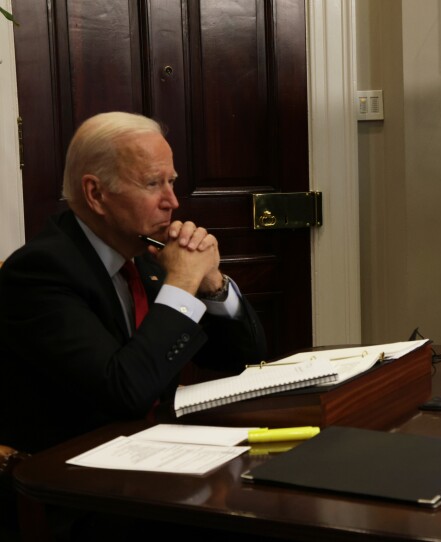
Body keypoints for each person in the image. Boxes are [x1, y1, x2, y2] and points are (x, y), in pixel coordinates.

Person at [0, 112, 267, 455]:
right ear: (96, 194)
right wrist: (184, 280)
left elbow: (246, 358)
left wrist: (211, 283)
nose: (172, 202)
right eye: (153, 184)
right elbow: (124, 393)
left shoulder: (143, 256)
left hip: (157, 452)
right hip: (72, 477)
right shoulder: (40, 272)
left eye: (172, 182)